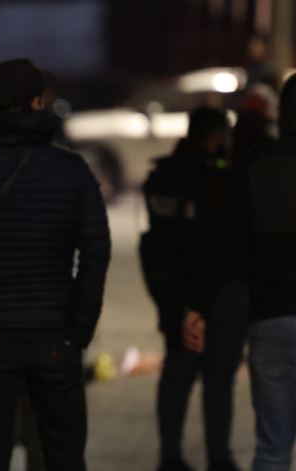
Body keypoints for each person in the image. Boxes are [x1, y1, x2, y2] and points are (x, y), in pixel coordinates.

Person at [0, 58, 111, 471]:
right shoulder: (71, 170)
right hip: (56, 333)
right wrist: (79, 328)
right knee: (63, 453)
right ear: (37, 101)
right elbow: (96, 252)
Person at [185, 75, 296, 471]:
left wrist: (198, 304)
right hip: (271, 314)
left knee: (272, 448)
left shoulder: (255, 166)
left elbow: (224, 242)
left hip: (272, 315)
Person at [140, 106, 247, 471]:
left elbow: (156, 241)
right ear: (215, 135)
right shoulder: (220, 177)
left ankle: (170, 455)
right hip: (220, 292)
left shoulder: (164, 174)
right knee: (219, 379)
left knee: (178, 373)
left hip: (177, 292)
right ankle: (219, 457)